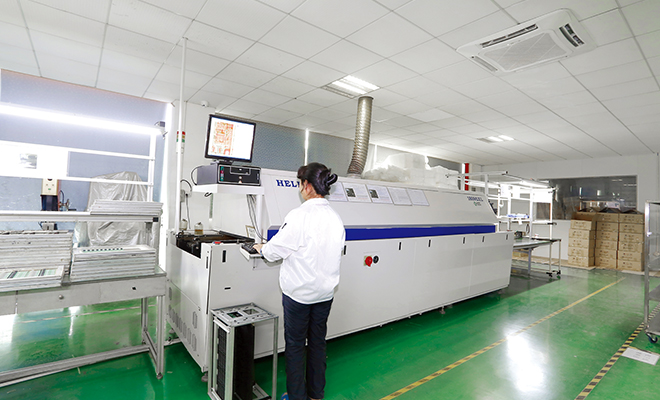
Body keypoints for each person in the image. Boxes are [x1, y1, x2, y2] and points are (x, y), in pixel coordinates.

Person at [254, 162, 345, 400]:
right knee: (317, 343)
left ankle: (296, 396)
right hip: (324, 295)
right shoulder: (335, 218)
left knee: (295, 346)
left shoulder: (299, 216)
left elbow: (274, 251)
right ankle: (316, 394)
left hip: (299, 297)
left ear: (307, 185)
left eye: (300, 183)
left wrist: (262, 248)